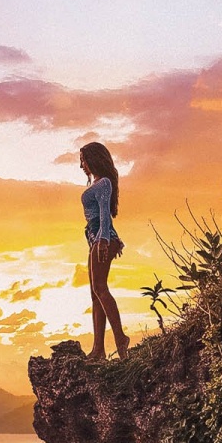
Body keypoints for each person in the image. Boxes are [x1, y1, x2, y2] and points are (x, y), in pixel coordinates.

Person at [79, 140, 130, 361]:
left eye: (83, 160)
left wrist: (103, 241)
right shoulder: (100, 183)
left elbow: (104, 215)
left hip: (101, 239)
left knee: (100, 289)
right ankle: (98, 349)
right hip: (97, 239)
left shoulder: (104, 184)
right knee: (95, 294)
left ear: (93, 159)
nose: (82, 166)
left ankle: (120, 338)